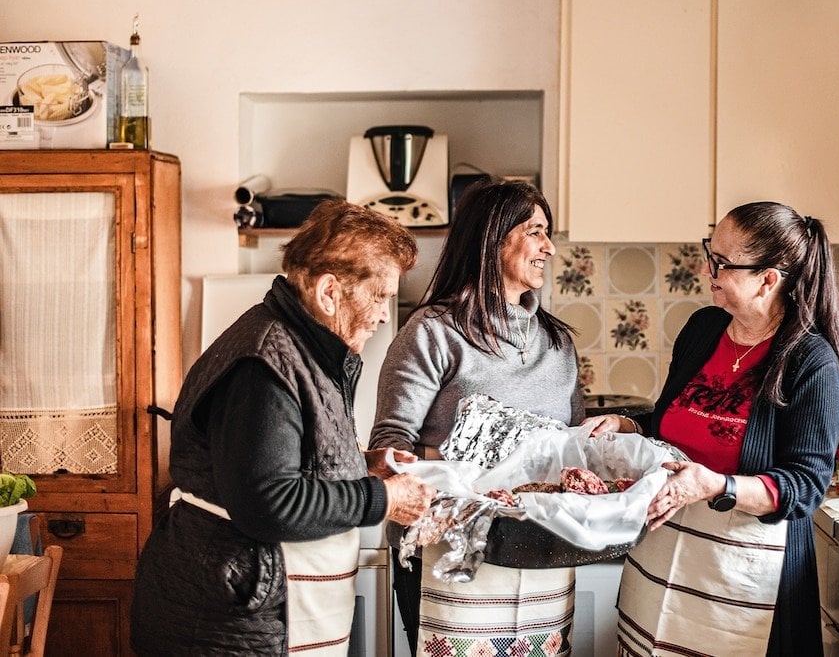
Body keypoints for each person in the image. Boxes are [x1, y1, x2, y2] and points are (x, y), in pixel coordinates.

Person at [131, 199, 437, 655]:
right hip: (229, 620)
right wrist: (384, 497)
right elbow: (269, 502)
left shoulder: (301, 346)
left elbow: (290, 457)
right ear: (330, 291)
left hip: (246, 602)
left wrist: (360, 464)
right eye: (380, 297)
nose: (382, 316)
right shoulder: (263, 365)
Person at [587, 202, 839, 656]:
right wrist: (628, 423)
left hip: (746, 583)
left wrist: (716, 485)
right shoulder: (703, 329)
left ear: (768, 279)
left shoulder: (811, 363)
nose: (706, 268)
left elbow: (806, 487)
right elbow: (681, 420)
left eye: (722, 263)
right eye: (709, 253)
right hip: (662, 562)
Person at [370, 178, 585, 656]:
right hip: (448, 550)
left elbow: (572, 447)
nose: (549, 247)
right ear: (493, 238)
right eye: (536, 231)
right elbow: (391, 439)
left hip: (540, 551)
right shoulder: (433, 331)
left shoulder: (557, 343)